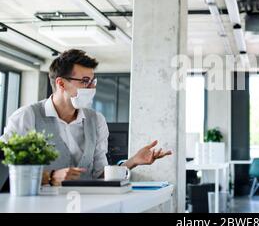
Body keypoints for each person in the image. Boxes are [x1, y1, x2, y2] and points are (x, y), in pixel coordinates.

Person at [0, 49, 172, 186]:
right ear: (61, 83)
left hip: (87, 204)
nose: (91, 88)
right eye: (84, 81)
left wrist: (133, 161)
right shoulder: (27, 117)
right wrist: (50, 177)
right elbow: (6, 170)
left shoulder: (96, 120)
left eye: (92, 81)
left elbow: (99, 174)